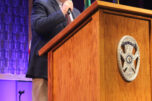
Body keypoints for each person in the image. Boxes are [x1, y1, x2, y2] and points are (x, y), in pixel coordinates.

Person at [26, 0, 80, 101]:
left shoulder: (76, 12)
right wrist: (62, 12)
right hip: (45, 70)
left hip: (70, 73)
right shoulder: (41, 4)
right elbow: (38, 26)